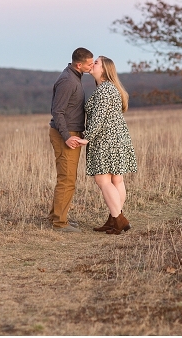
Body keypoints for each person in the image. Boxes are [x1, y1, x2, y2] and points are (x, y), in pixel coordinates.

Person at [81, 55, 137, 235]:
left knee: (103, 180)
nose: (92, 64)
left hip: (106, 140)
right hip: (116, 138)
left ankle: (119, 219)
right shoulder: (109, 88)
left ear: (104, 69)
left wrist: (86, 137)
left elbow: (98, 118)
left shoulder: (105, 90)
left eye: (96, 63)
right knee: (116, 179)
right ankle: (114, 219)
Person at [48, 47, 94, 233]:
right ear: (79, 64)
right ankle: (59, 223)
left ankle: (57, 217)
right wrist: (67, 137)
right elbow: (57, 112)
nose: (92, 66)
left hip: (71, 133)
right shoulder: (68, 81)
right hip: (65, 134)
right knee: (67, 179)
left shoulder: (74, 77)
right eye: (89, 64)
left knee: (67, 178)